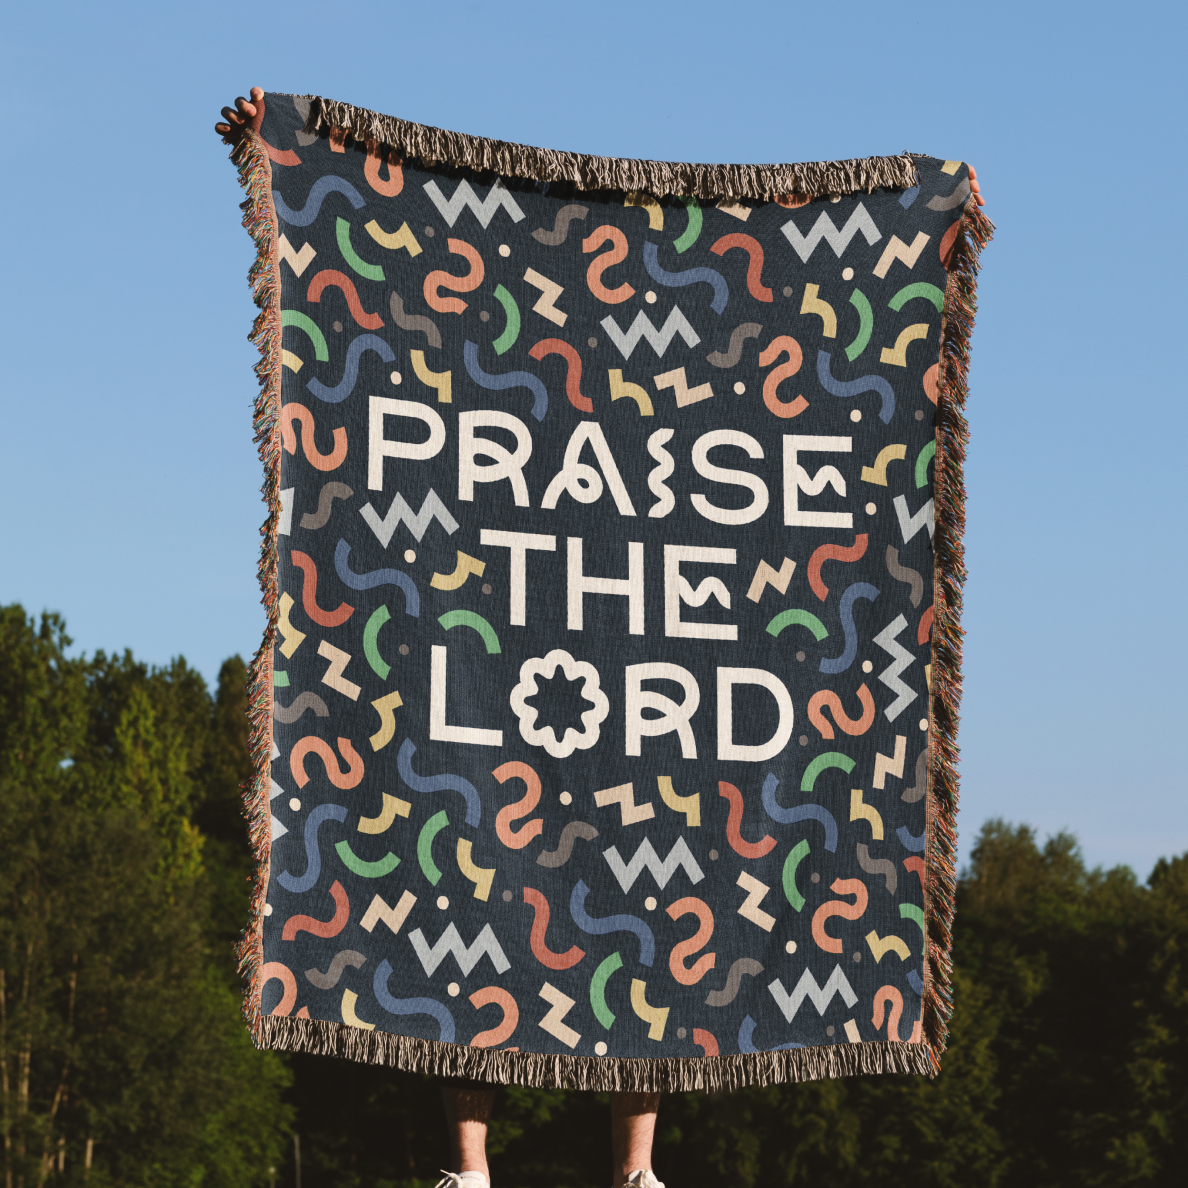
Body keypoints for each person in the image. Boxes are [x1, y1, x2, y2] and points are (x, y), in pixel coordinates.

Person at [215, 87, 983, 1188]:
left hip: (657, 690)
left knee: (667, 899)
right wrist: (281, 139)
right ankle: (469, 1170)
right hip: (508, 666)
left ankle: (637, 1169)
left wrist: (928, 221)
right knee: (463, 870)